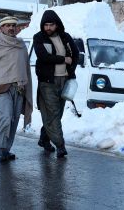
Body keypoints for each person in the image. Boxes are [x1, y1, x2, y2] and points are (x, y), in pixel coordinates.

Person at [0, 16, 33, 163]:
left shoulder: (21, 45)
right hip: (2, 89)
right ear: (1, 28)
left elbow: (25, 67)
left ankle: (6, 149)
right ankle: (1, 148)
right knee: (5, 117)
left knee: (14, 120)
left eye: (13, 25)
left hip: (18, 89)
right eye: (7, 25)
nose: (11, 28)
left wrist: (25, 83)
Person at [33, 10, 78, 158]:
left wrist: (71, 70)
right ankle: (60, 145)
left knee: (57, 114)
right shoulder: (39, 38)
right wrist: (63, 59)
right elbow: (43, 57)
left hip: (63, 81)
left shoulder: (65, 37)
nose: (48, 28)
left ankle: (44, 138)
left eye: (51, 24)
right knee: (53, 113)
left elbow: (75, 54)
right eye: (45, 25)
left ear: (56, 25)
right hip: (48, 82)